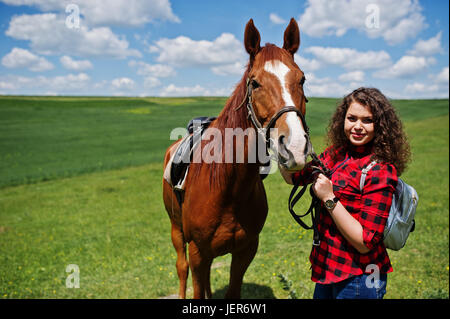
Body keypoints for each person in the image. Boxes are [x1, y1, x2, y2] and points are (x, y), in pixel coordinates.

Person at [282, 87, 410, 299]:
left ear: (380, 125)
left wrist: (329, 198)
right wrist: (282, 146)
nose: (358, 126)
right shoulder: (337, 154)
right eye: (352, 118)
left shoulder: (381, 170)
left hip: (360, 278)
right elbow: (295, 177)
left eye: (367, 120)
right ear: (343, 119)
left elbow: (364, 243)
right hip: (327, 268)